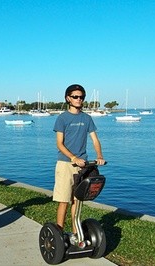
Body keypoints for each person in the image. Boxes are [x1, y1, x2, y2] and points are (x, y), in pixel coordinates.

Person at [53, 84, 106, 242]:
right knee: (64, 200)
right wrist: (73, 157)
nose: (79, 99)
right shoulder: (62, 118)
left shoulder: (86, 118)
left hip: (83, 165)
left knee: (78, 200)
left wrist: (99, 155)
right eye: (75, 97)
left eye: (81, 97)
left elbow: (95, 139)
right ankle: (59, 234)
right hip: (65, 164)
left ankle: (77, 234)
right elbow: (59, 144)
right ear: (68, 98)